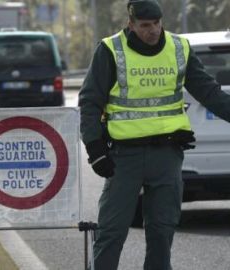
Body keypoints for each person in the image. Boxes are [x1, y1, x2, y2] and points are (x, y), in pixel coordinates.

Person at [78, 0, 230, 269]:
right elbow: (90, 101)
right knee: (111, 232)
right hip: (123, 158)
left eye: (157, 24)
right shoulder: (111, 50)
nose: (153, 31)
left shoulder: (179, 48)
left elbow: (209, 92)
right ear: (131, 24)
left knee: (162, 232)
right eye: (145, 26)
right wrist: (94, 148)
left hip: (167, 156)